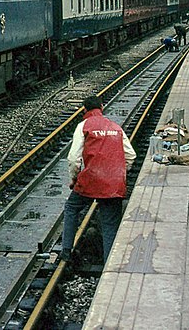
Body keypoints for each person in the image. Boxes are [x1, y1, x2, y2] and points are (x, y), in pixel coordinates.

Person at [61, 95, 136, 264]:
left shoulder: (84, 125)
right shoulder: (115, 127)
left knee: (72, 207)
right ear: (102, 107)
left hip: (90, 180)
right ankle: (108, 263)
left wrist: (75, 178)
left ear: (85, 110)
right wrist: (118, 174)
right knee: (109, 224)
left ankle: (66, 250)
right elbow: (131, 155)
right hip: (113, 184)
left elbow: (73, 158)